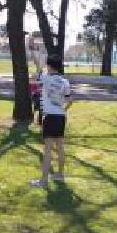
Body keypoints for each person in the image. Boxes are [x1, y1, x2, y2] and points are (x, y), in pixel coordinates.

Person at [30, 55, 72, 188]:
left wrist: (32, 50)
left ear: (49, 66)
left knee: (47, 149)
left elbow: (37, 65)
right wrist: (63, 109)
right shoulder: (65, 82)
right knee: (60, 147)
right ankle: (60, 174)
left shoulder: (46, 78)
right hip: (61, 117)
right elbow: (70, 100)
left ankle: (43, 181)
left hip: (50, 117)